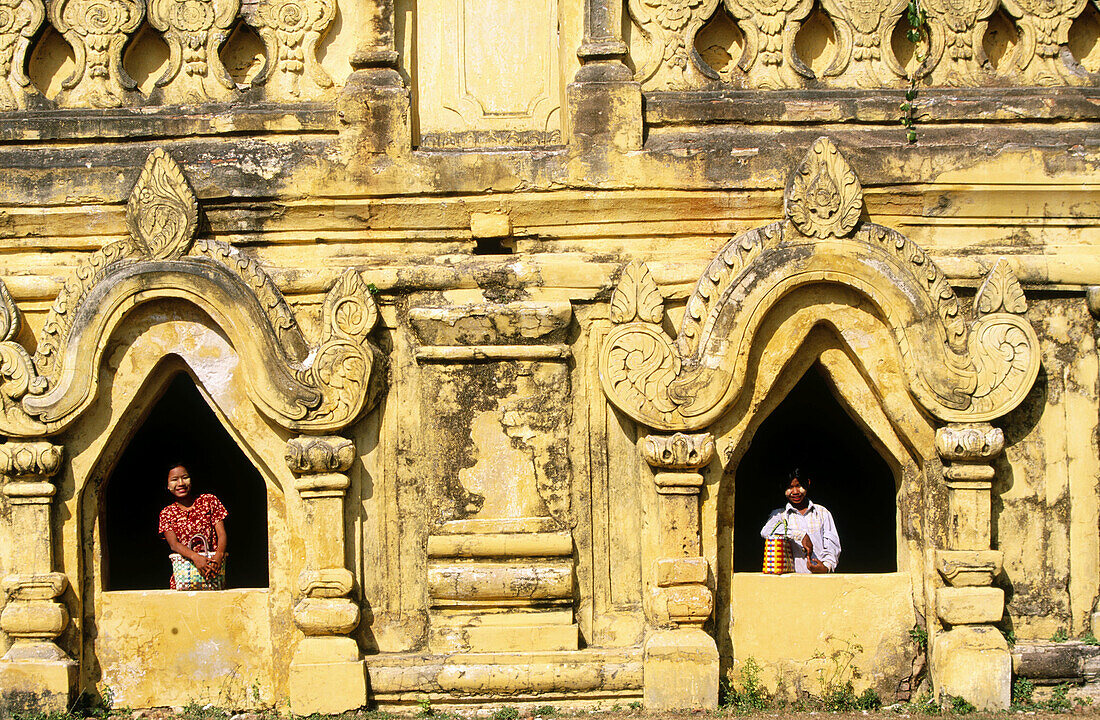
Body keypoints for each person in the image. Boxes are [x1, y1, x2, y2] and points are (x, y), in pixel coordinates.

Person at [158, 462, 228, 589]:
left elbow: (221, 533)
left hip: (213, 569)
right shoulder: (166, 513)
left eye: (185, 477)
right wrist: (195, 557)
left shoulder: (209, 501)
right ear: (167, 485)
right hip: (185, 576)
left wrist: (219, 555)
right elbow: (174, 544)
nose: (180, 483)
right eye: (174, 480)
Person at [760, 468, 840, 573]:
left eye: (798, 486)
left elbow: (832, 546)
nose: (795, 492)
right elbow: (766, 531)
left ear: (808, 483)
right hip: (791, 581)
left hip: (821, 579)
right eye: (789, 487)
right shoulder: (780, 515)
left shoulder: (821, 512)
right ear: (783, 488)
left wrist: (826, 567)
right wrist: (800, 535)